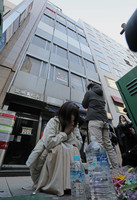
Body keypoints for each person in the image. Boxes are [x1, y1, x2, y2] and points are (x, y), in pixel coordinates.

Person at [26, 102, 83, 196]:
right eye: (71, 117)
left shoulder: (74, 126)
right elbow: (49, 143)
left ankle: (68, 183)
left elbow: (79, 145)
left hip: (66, 158)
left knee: (73, 150)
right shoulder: (53, 122)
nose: (72, 121)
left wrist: (70, 134)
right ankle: (55, 184)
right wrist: (64, 134)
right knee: (59, 148)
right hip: (47, 156)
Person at [82, 83, 119, 168]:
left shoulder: (89, 93)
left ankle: (105, 167)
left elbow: (84, 104)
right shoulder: (102, 95)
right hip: (104, 121)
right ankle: (116, 167)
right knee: (108, 145)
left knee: (98, 144)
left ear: (90, 88)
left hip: (94, 120)